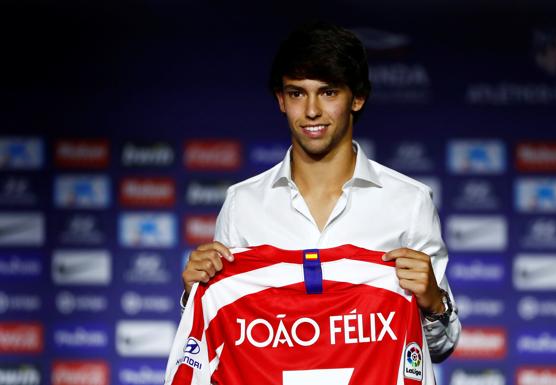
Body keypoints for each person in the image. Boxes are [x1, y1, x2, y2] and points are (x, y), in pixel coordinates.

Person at [181, 20, 460, 363]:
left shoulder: (409, 201)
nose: (312, 110)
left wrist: (433, 302)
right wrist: (196, 294)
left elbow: (439, 349)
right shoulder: (243, 203)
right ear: (281, 100)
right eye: (297, 93)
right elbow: (222, 343)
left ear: (357, 97)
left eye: (328, 92)